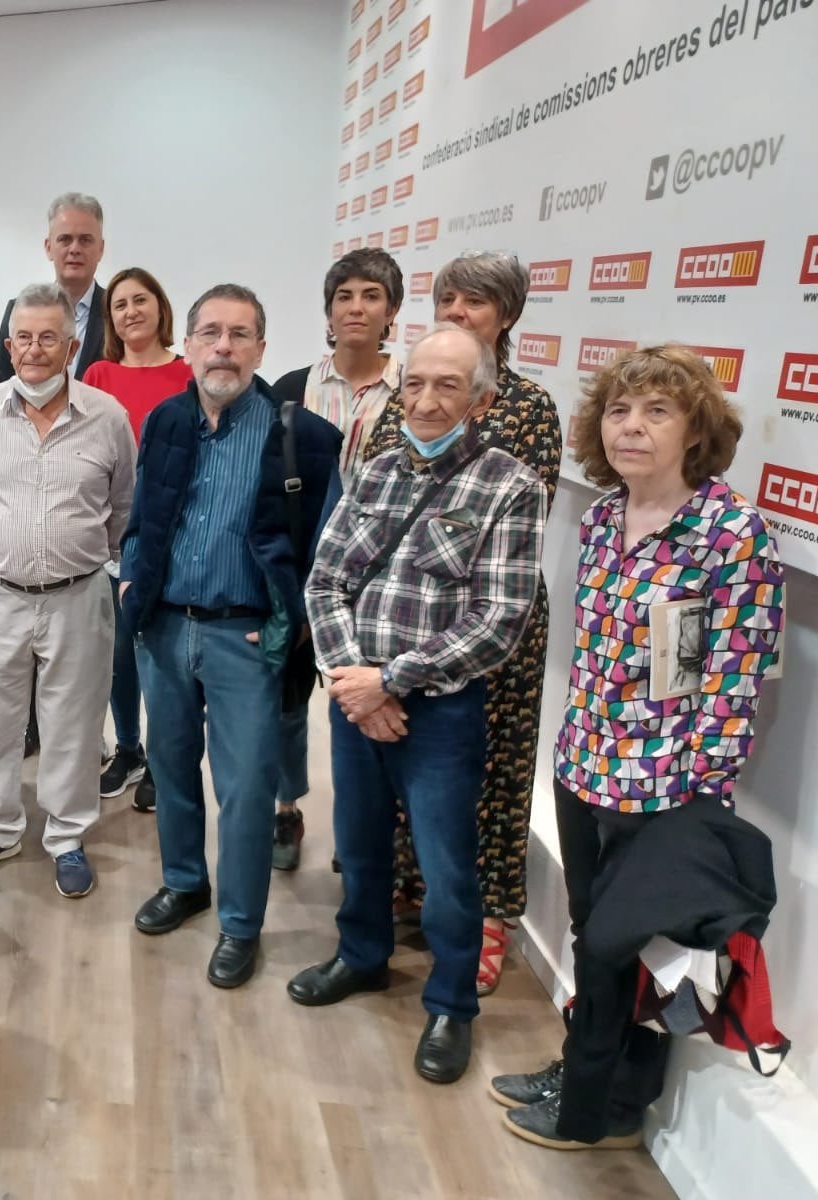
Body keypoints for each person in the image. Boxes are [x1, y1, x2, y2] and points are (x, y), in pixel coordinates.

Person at [495, 345, 783, 1149]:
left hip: (663, 791)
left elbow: (733, 682)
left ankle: (595, 1111)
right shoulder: (599, 517)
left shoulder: (729, 534)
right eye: (621, 410)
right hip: (584, 765)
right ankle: (588, 1076)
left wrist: (697, 793)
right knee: (598, 942)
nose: (633, 426)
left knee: (632, 951)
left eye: (657, 411)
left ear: (695, 430)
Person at [289, 324, 545, 1086]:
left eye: (448, 387)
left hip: (437, 712)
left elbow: (499, 620)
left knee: (446, 868)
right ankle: (362, 957)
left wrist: (390, 681)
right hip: (354, 697)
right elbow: (323, 582)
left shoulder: (510, 486)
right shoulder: (372, 469)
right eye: (417, 384)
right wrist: (353, 680)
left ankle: (451, 1005)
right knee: (361, 847)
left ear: (483, 401)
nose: (427, 402)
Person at [120, 284, 339, 988]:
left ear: (262, 351)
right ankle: (185, 883)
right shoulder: (165, 421)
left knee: (246, 791)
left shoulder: (301, 436)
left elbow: (320, 553)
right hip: (164, 629)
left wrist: (289, 625)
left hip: (245, 639)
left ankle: (241, 925)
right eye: (210, 332)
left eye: (240, 335)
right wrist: (131, 577)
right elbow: (142, 516)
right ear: (186, 346)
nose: (223, 347)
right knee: (172, 768)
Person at [362, 250, 562, 994]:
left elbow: (510, 512)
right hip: (407, 615)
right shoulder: (411, 386)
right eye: (448, 300)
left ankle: (488, 917)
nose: (456, 314)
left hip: (489, 624)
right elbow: (381, 490)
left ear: (505, 315)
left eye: (473, 303)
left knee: (491, 777)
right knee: (407, 760)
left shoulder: (529, 405)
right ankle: (416, 892)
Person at [0, 282, 136, 898]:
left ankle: (66, 835)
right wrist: (2, 555)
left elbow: (121, 507)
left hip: (78, 594)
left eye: (48, 338)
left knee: (73, 722)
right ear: (8, 346)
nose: (34, 349)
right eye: (23, 338)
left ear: (71, 344)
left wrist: (80, 558)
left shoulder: (107, 417)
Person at [269, 247, 404, 871]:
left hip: (385, 576)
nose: (356, 308)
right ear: (328, 310)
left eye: (371, 296)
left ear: (391, 312)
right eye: (345, 296)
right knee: (288, 697)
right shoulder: (291, 390)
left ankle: (360, 837)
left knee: (364, 702)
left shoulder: (412, 392)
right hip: (302, 568)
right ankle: (286, 810)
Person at [81, 267, 193, 812]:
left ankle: (163, 756)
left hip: (178, 537)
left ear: (160, 307)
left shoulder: (188, 374)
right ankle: (126, 749)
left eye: (140, 300)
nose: (130, 312)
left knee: (166, 659)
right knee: (120, 656)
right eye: (119, 305)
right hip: (115, 539)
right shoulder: (98, 375)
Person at [0, 192, 108, 384]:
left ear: (101, 248)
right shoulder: (19, 310)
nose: (75, 249)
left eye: (85, 240)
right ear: (48, 247)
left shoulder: (115, 313)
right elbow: (1, 380)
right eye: (65, 239)